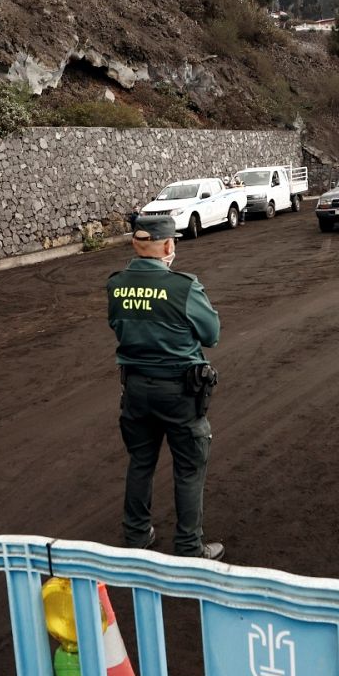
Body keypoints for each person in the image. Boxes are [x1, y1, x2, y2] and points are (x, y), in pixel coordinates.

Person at [107, 215, 224, 561]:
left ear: (135, 244)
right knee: (189, 466)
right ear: (169, 245)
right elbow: (211, 335)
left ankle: (137, 536)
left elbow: (116, 323)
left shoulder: (116, 284)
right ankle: (189, 546)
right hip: (179, 392)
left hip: (136, 388)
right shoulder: (184, 286)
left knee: (140, 461)